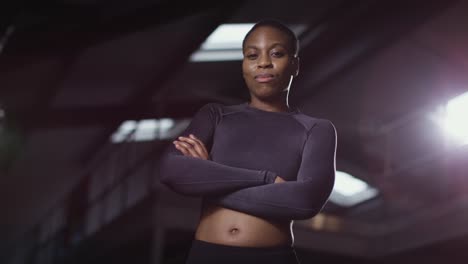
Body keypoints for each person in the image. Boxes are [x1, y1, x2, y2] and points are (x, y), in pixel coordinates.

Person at [159, 20, 337, 264]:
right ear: (244, 64)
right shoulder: (215, 116)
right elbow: (171, 170)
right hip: (207, 256)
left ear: (295, 64)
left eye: (276, 53)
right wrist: (265, 179)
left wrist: (210, 180)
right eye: (252, 55)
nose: (263, 62)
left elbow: (305, 201)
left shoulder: (316, 129)